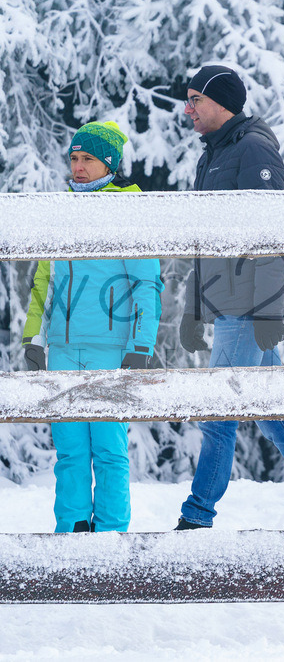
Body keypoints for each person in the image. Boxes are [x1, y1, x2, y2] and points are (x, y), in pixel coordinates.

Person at [175, 65, 284, 531]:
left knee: (219, 414)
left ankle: (196, 518)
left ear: (222, 102)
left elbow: (271, 234)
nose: (187, 108)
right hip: (229, 304)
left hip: (246, 308)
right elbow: (207, 241)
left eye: (196, 98)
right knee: (275, 415)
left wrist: (270, 310)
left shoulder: (252, 148)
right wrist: (195, 308)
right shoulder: (213, 153)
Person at [22, 121, 163, 533]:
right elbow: (43, 283)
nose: (78, 167)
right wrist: (34, 337)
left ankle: (112, 534)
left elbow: (147, 284)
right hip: (64, 349)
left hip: (111, 348)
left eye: (88, 159)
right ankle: (72, 530)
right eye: (74, 158)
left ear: (109, 165)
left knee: (108, 450)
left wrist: (141, 343)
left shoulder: (128, 210)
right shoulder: (60, 211)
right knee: (69, 452)